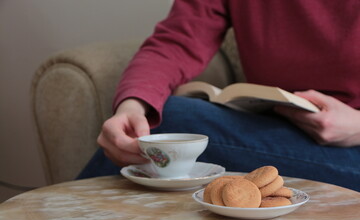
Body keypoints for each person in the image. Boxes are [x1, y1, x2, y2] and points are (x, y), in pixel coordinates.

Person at [78, 0, 360, 191]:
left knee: (175, 121)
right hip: (278, 131)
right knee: (157, 124)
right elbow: (176, 41)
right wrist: (132, 107)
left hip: (353, 149)